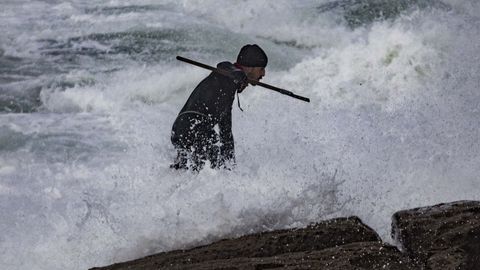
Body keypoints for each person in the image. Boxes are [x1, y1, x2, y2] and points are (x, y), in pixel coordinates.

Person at [171, 44, 267, 171]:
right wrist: (237, 73)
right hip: (195, 128)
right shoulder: (225, 76)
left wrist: (231, 167)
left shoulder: (227, 90)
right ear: (250, 68)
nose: (264, 74)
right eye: (261, 68)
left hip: (182, 130)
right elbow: (224, 65)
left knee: (187, 173)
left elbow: (226, 133)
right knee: (211, 170)